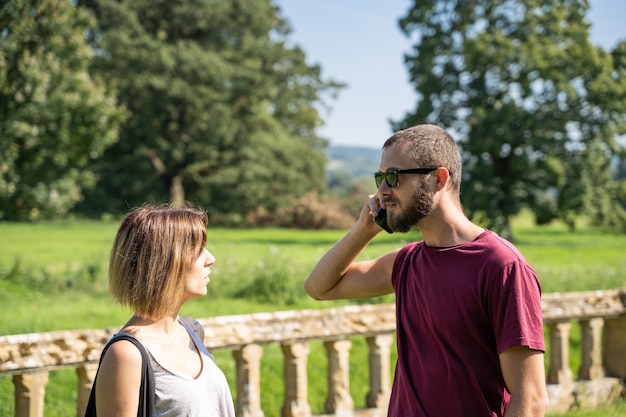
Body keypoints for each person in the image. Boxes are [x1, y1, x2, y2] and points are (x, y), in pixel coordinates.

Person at [304, 124, 549, 417]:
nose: (381, 191)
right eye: (380, 178)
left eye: (393, 177)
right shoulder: (405, 263)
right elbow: (319, 287)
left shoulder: (502, 266)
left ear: (438, 179)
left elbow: (530, 400)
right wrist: (363, 229)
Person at [94, 203, 236, 417]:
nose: (210, 259)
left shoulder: (192, 330)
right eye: (198, 250)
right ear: (165, 262)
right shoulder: (126, 354)